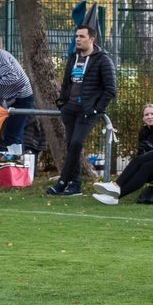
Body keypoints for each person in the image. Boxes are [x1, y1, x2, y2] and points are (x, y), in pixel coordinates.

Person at [48, 25, 116, 197]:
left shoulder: (103, 60)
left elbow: (110, 90)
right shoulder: (73, 57)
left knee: (77, 143)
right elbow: (66, 83)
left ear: (91, 39)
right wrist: (63, 103)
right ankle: (75, 185)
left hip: (87, 111)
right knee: (72, 146)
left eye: (82, 36)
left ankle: (62, 182)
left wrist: (96, 110)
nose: (78, 39)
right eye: (76, 36)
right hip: (70, 109)